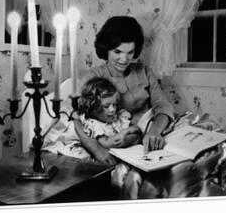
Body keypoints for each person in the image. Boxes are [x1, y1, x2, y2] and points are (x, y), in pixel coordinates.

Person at [74, 16, 175, 166]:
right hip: (121, 143)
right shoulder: (92, 77)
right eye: (117, 51)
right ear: (106, 48)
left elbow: (163, 106)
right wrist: (97, 150)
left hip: (151, 133)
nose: (124, 59)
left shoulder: (144, 72)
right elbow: (75, 116)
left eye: (130, 52)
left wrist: (154, 131)